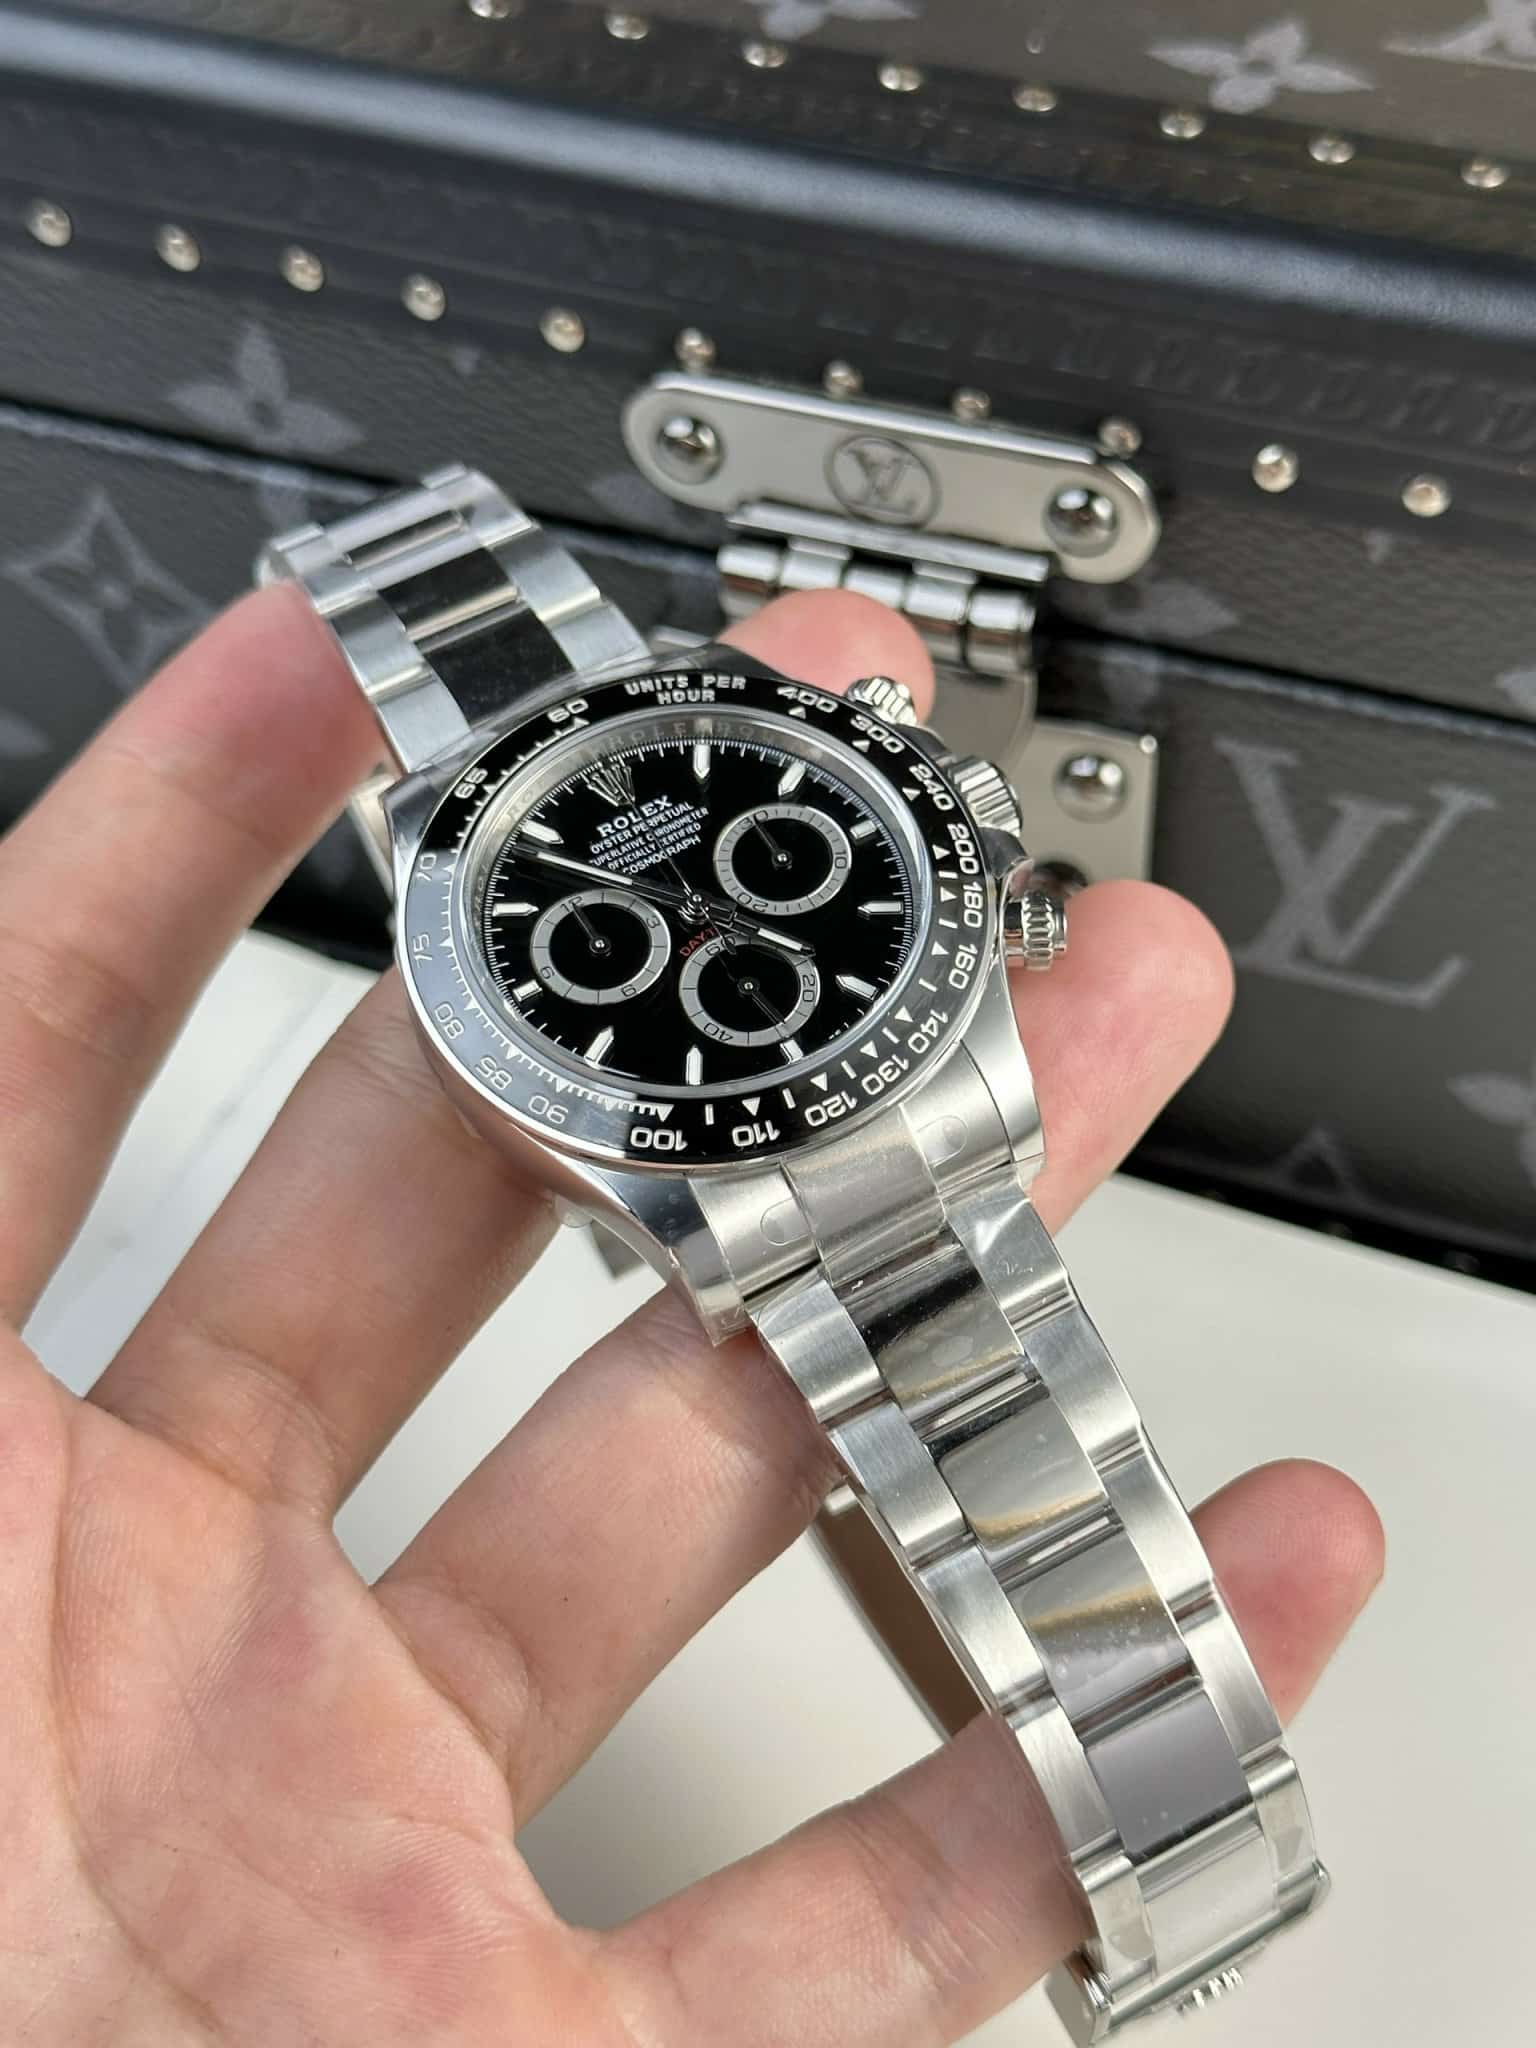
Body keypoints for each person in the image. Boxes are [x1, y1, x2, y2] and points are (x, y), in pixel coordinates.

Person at [0, 582, 1381, 2044]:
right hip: (746, 1174)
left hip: (898, 1112)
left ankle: (1171, 1826)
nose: (705, 908)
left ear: (954, 826)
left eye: (775, 856)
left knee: (1019, 1463)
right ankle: (1171, 1840)